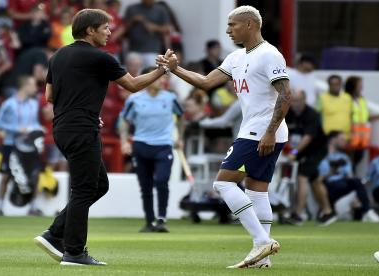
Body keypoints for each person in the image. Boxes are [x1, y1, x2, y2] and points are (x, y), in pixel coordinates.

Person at [33, 8, 174, 266]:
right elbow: (132, 85)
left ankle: (55, 234)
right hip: (81, 128)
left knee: (99, 185)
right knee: (85, 188)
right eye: (105, 27)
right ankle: (74, 252)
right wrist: (163, 70)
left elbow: (49, 97)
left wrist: (81, 109)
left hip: (63, 127)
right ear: (90, 30)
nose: (110, 32)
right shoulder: (101, 58)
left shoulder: (57, 56)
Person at [157, 5, 290, 268]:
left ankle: (261, 241)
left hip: (260, 132)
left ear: (250, 24)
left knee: (223, 184)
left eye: (233, 25)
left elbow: (286, 95)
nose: (228, 30)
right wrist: (175, 69)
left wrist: (269, 132)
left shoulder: (269, 55)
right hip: (257, 131)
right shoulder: (236, 57)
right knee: (257, 191)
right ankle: (261, 258)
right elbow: (206, 82)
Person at [119, 66, 184, 233]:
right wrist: (124, 141)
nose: (162, 80)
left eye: (163, 77)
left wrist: (179, 138)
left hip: (163, 145)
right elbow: (125, 121)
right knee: (145, 186)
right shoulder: (135, 99)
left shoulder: (170, 98)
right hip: (141, 145)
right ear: (148, 79)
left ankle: (161, 219)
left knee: (162, 181)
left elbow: (181, 117)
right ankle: (149, 221)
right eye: (158, 77)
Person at [0, 75, 42, 216]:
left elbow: (35, 122)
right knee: (7, 175)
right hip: (11, 144)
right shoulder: (9, 104)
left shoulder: (34, 104)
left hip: (29, 146)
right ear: (24, 86)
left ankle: (33, 207)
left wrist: (37, 129)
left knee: (35, 175)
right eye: (32, 85)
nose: (35, 88)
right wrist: (16, 128)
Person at [285, 90, 337, 226]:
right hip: (302, 151)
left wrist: (294, 152)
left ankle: (298, 214)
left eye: (298, 100)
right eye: (293, 100)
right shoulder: (288, 113)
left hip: (316, 150)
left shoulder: (312, 115)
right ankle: (328, 212)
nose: (295, 103)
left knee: (302, 176)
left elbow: (307, 138)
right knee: (315, 181)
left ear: (304, 99)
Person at [317, 131, 379, 223]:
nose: (344, 142)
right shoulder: (320, 157)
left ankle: (367, 211)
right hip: (328, 186)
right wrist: (332, 170)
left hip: (343, 185)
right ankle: (327, 210)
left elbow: (351, 177)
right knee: (340, 185)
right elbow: (317, 180)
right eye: (341, 139)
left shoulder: (344, 157)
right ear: (333, 140)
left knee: (356, 181)